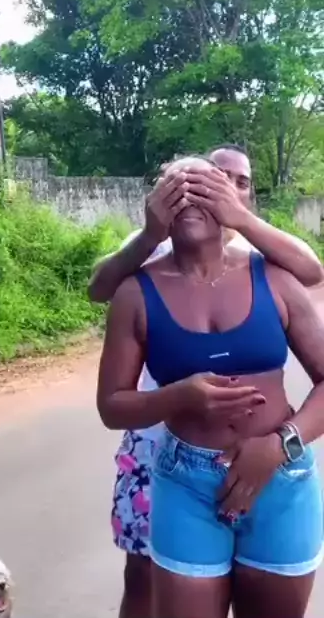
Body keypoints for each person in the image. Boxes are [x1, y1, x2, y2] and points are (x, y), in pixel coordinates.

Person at [89, 144, 324, 618]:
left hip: (280, 477)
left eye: (204, 189)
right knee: (142, 580)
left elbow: (313, 272)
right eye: (176, 190)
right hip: (183, 480)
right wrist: (179, 396)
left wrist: (279, 445)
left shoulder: (270, 272)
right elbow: (111, 405)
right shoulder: (137, 287)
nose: (189, 200)